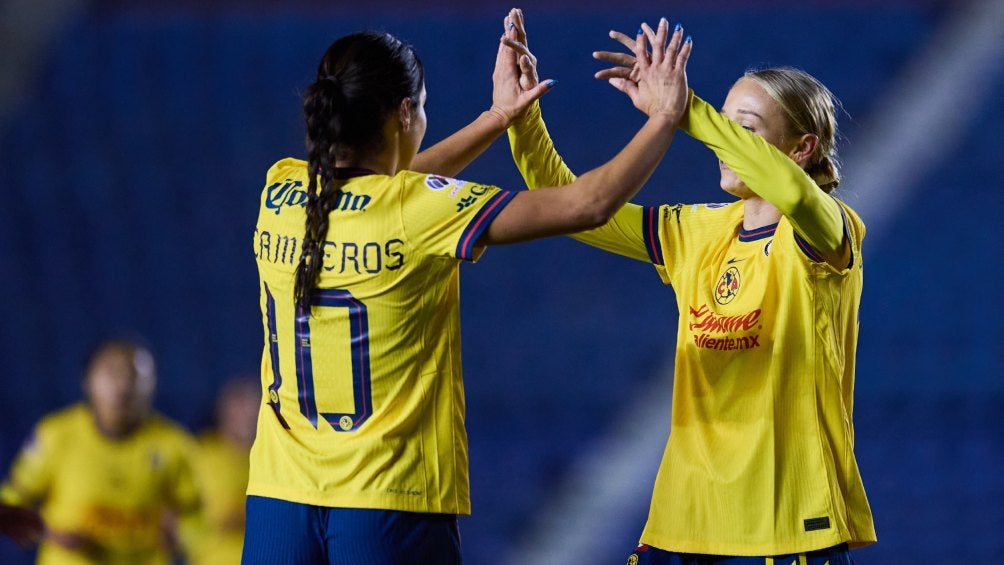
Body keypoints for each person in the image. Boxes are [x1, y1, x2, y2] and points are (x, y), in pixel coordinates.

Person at [245, 8, 692, 564]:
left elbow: (392, 193)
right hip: (388, 501)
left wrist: (499, 117)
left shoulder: (281, 189)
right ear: (404, 112)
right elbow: (589, 204)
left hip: (279, 497)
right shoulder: (415, 212)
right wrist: (665, 118)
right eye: (424, 108)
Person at [506, 16, 876, 565]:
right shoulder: (696, 230)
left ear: (802, 148)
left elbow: (796, 198)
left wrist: (688, 112)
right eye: (723, 125)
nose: (722, 142)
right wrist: (522, 117)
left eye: (744, 128)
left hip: (783, 528)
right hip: (683, 524)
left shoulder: (828, 230)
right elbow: (570, 205)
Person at [0, 339, 202, 565]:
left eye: (136, 376)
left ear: (153, 384)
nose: (124, 386)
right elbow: (11, 502)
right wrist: (48, 532)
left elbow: (200, 521)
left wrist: (181, 536)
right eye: (112, 373)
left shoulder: (175, 444)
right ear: (87, 381)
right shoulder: (55, 436)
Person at [189, 376, 260, 565]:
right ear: (223, 412)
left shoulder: (270, 456)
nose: (245, 416)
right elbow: (223, 516)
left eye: (250, 408)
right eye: (238, 408)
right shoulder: (204, 455)